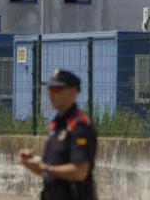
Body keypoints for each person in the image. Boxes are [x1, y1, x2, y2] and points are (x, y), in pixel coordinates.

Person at [18, 69, 98, 200]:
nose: (50, 94)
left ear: (72, 93)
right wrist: (31, 162)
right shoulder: (57, 125)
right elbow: (49, 167)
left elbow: (79, 172)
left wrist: (45, 167)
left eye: (56, 89)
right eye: (49, 89)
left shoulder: (80, 126)